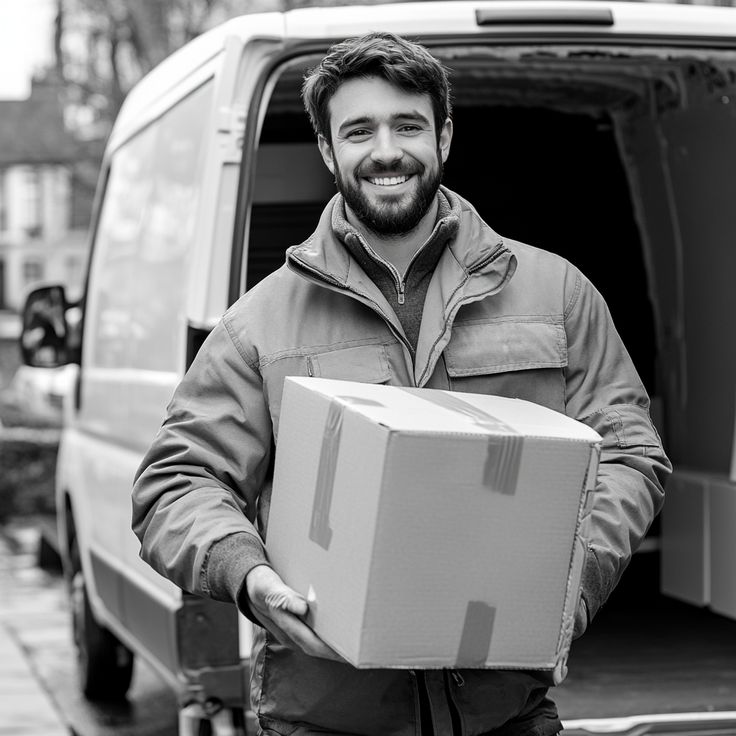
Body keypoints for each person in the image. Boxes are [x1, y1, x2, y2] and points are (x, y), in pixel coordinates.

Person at [132, 32, 671, 736]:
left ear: (443, 135)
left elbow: (630, 453)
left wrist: (569, 577)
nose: (386, 150)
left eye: (408, 125)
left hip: (504, 715)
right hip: (326, 717)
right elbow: (175, 484)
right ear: (328, 151)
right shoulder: (258, 325)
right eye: (358, 130)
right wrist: (249, 577)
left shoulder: (557, 294)